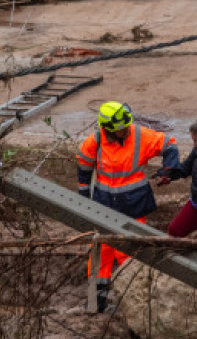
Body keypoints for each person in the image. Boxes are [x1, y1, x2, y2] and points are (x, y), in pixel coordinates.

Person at [76, 101, 180, 312]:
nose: (125, 131)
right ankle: (96, 302)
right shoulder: (93, 143)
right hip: (103, 207)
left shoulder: (139, 135)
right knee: (100, 253)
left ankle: (134, 304)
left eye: (126, 127)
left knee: (131, 254)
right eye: (121, 129)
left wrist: (169, 169)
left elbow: (169, 144)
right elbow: (84, 171)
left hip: (133, 207)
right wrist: (83, 200)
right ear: (107, 129)